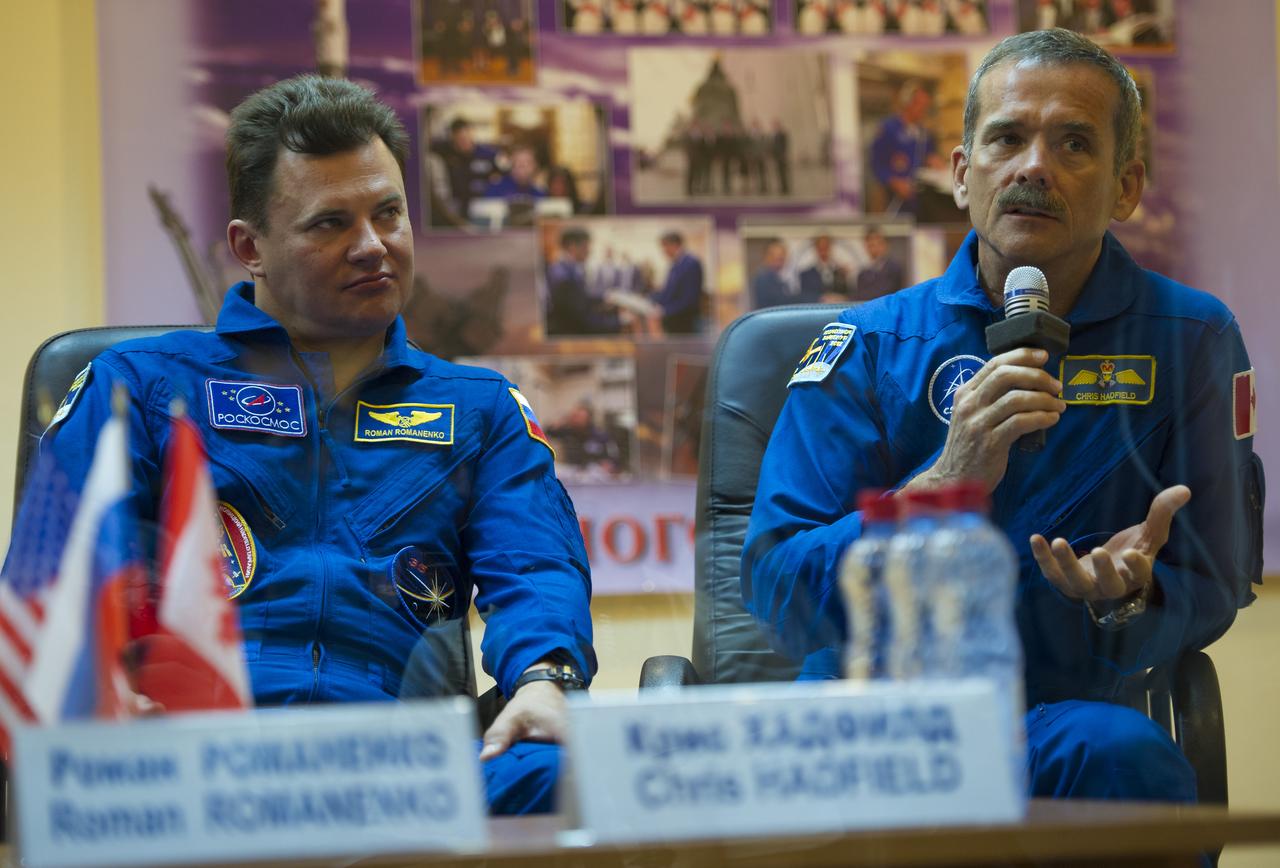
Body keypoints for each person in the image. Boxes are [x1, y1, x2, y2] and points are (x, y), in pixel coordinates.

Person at [14, 75, 597, 815]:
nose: (372, 246)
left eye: (389, 213)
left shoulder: (478, 409)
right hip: (188, 761)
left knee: (580, 781)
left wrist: (546, 678)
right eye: (330, 224)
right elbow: (63, 583)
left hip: (404, 771)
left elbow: (535, 566)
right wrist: (107, 690)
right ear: (248, 246)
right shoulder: (140, 388)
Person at [742, 29, 1264, 805]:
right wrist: (940, 484)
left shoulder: (1193, 339)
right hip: (874, 713)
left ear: (1126, 187)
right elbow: (778, 587)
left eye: (1074, 144)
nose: (1032, 168)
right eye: (1007, 138)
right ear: (962, 174)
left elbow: (1218, 574)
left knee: (1131, 759)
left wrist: (1129, 603)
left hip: (1068, 714)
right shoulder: (867, 346)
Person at [869, 80, 944, 215]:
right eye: (921, 105)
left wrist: (933, 160)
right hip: (892, 199)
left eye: (926, 106)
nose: (924, 110)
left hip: (917, 198)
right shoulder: (888, 129)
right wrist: (894, 181)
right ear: (909, 103)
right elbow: (876, 163)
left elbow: (929, 155)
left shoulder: (924, 134)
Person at [545, 226, 622, 336]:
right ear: (572, 247)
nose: (589, 250)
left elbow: (580, 299)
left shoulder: (566, 268)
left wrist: (604, 298)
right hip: (569, 334)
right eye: (586, 246)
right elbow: (582, 320)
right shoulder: (563, 276)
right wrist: (619, 322)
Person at [430, 118, 500, 227]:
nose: (465, 142)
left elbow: (502, 173)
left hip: (483, 203)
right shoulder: (445, 152)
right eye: (461, 139)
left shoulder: (488, 154)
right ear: (453, 138)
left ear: (472, 133)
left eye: (467, 137)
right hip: (456, 204)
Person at [651, 231, 706, 335]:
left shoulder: (690, 264)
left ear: (674, 245)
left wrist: (666, 310)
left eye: (665, 247)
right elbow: (669, 292)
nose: (663, 251)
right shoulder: (676, 263)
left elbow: (690, 299)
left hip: (685, 322)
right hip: (674, 320)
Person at [853, 226, 904, 300]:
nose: (875, 249)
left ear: (886, 245)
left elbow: (885, 293)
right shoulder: (863, 273)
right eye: (871, 245)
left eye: (878, 244)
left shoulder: (894, 268)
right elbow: (859, 295)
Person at [798, 234, 853, 302]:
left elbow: (849, 295)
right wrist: (821, 298)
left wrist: (840, 297)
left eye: (826, 247)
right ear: (816, 249)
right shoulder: (806, 275)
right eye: (820, 248)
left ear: (830, 248)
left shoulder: (840, 272)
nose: (823, 250)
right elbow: (803, 296)